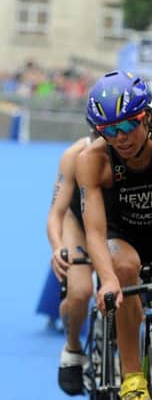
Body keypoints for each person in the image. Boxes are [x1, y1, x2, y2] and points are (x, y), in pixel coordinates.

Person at [77, 70, 152, 400]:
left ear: (146, 117)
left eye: (127, 125)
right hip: (122, 237)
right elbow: (94, 231)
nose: (121, 138)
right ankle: (133, 378)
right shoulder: (93, 160)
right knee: (122, 270)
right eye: (109, 130)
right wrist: (106, 280)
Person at [47, 127, 101, 395]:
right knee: (79, 293)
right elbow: (56, 213)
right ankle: (72, 348)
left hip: (118, 223)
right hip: (77, 222)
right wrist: (58, 248)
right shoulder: (74, 155)